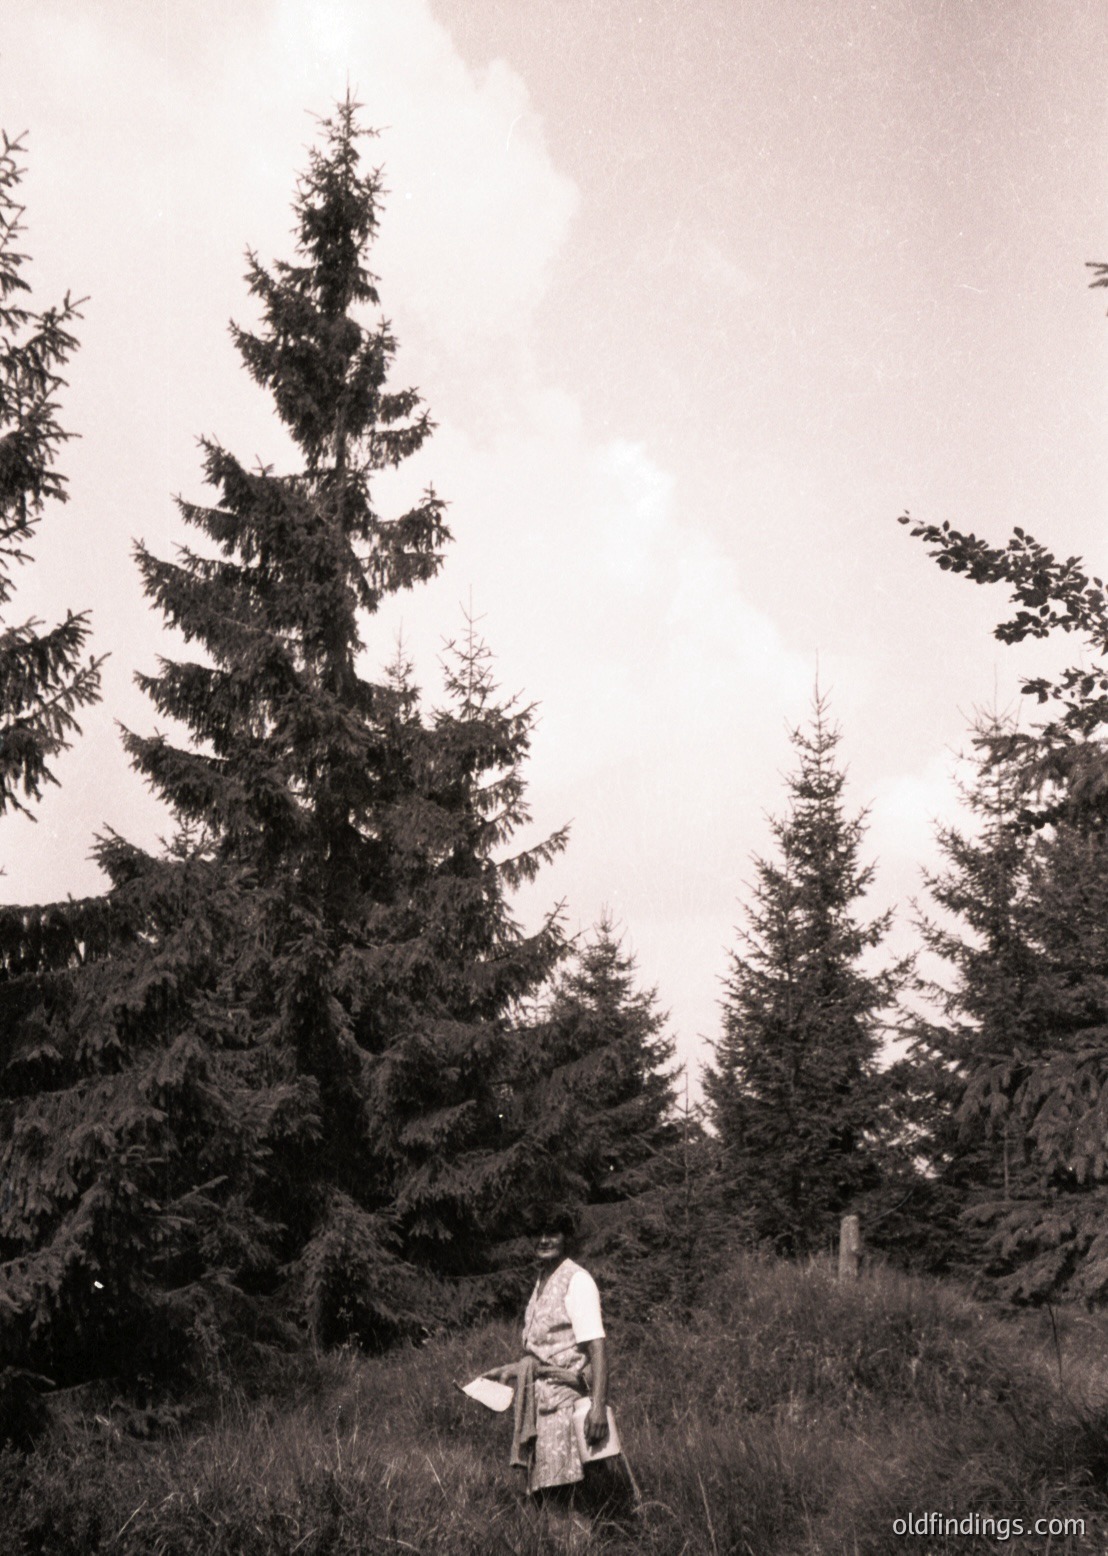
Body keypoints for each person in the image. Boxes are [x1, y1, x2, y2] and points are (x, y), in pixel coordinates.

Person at [486, 1211, 611, 1501]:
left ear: (565, 1237)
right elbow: (545, 1354)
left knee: (562, 1497)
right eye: (538, 1234)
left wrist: (598, 1408)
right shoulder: (542, 1280)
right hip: (541, 1403)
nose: (544, 1240)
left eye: (552, 1233)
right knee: (544, 1498)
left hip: (565, 1404)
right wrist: (508, 1370)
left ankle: (580, 1546)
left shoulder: (576, 1281)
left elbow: (597, 1347)